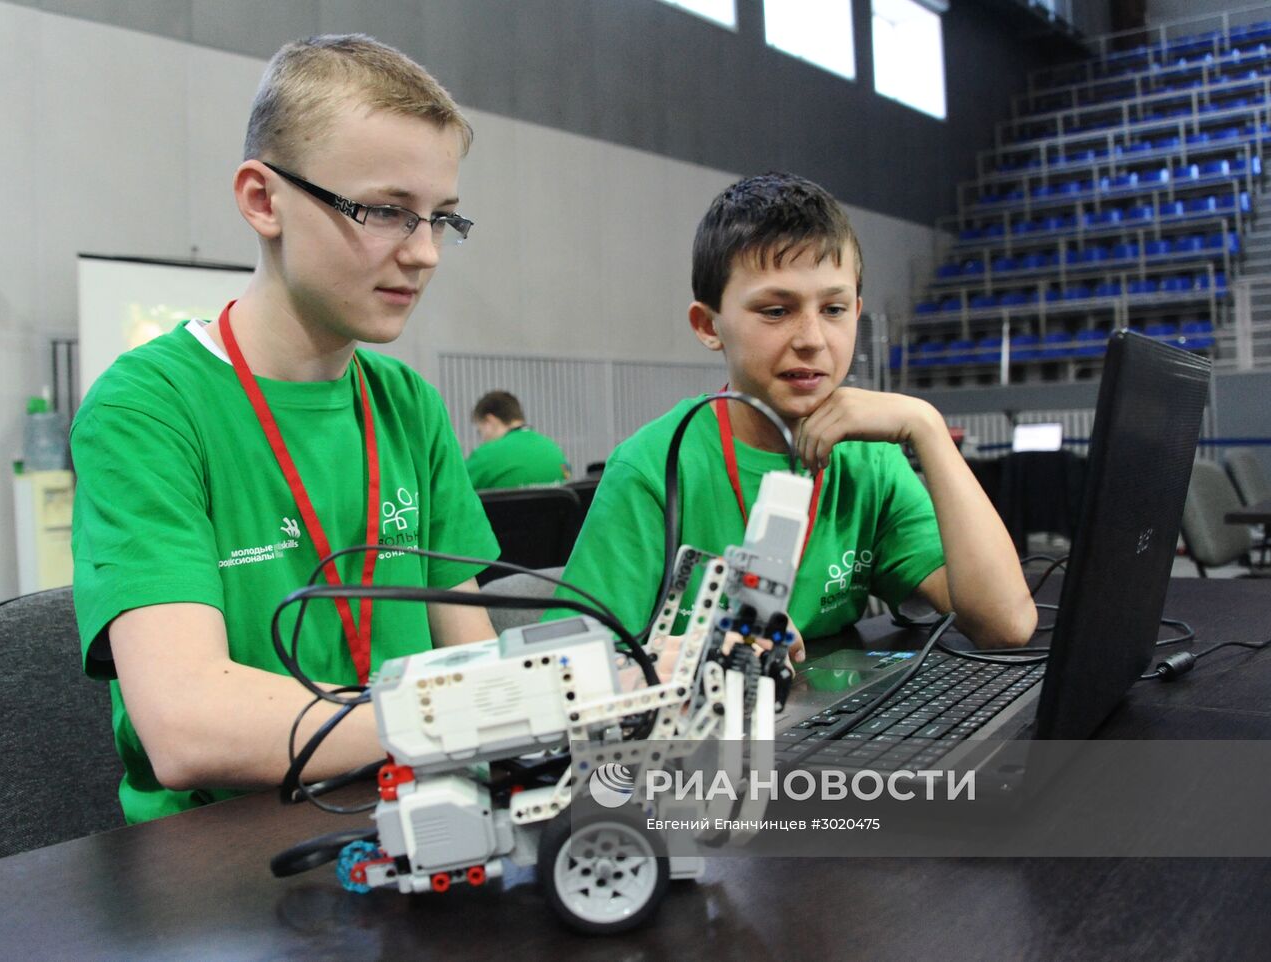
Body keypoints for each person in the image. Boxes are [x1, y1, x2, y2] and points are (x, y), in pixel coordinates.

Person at [70, 35, 500, 824]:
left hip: (410, 809)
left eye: (444, 219)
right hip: (220, 859)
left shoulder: (408, 403)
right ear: (263, 200)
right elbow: (187, 725)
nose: (428, 252)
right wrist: (467, 712)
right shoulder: (147, 409)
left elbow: (469, 658)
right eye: (386, 212)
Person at [552, 172, 1036, 660]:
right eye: (776, 311)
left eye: (834, 309)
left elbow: (1006, 624)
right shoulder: (653, 468)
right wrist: (702, 651)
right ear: (708, 324)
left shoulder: (870, 460)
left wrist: (927, 426)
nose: (812, 338)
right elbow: (565, 670)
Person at [465, 390, 572, 488]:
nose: (482, 439)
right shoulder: (556, 451)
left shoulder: (485, 455)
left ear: (489, 421)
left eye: (480, 431)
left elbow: (456, 496)